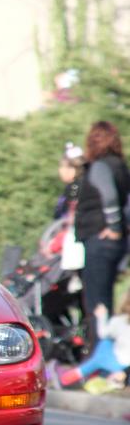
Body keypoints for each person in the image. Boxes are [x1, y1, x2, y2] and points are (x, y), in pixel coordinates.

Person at [74, 121, 130, 348]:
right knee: (106, 297)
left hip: (101, 239)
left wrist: (114, 226)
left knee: (96, 301)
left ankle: (100, 356)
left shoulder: (99, 167)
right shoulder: (121, 167)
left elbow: (108, 197)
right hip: (117, 243)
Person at [55, 299, 130, 390]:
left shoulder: (120, 320)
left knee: (104, 345)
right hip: (125, 366)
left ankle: (66, 378)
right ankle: (101, 376)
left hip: (116, 361)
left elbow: (103, 333)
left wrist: (102, 316)